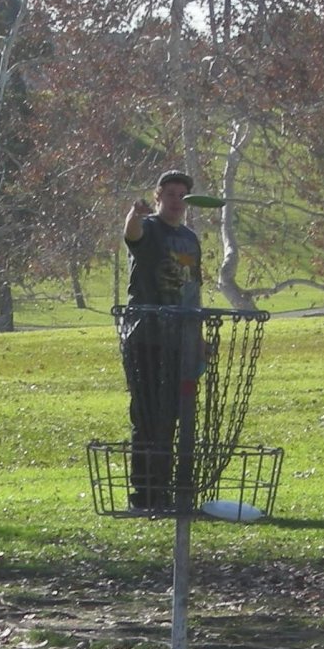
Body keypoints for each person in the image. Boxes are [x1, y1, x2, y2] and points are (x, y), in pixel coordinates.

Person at [121, 169, 204, 509]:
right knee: (146, 415)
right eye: (169, 194)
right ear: (158, 197)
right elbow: (132, 235)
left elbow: (192, 289)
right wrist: (133, 215)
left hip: (178, 339)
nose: (175, 201)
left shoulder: (190, 239)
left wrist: (197, 338)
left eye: (181, 195)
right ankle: (144, 494)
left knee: (171, 415)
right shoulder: (149, 228)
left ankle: (165, 490)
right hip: (144, 335)